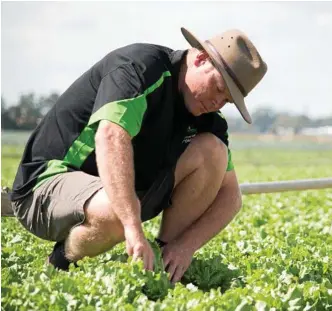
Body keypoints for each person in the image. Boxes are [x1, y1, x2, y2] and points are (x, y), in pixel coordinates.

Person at [9, 27, 267, 283]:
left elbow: (231, 197)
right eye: (219, 88)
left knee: (214, 151)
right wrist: (132, 227)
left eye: (227, 101)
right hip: (46, 184)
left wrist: (185, 246)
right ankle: (58, 264)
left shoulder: (208, 118)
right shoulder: (140, 68)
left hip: (113, 195)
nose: (217, 103)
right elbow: (110, 137)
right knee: (118, 211)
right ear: (200, 59)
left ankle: (161, 265)